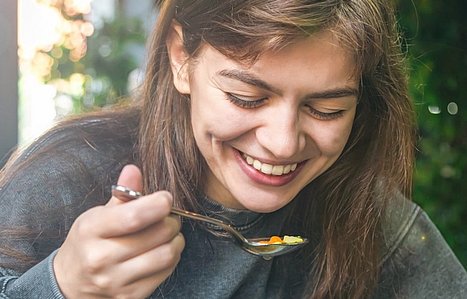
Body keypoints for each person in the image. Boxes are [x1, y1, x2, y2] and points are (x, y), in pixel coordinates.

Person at [1, 0, 466, 298]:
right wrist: (61, 286)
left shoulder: (370, 220)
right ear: (181, 57)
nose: (282, 143)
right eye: (247, 98)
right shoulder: (66, 178)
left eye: (327, 109)